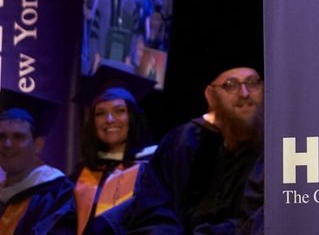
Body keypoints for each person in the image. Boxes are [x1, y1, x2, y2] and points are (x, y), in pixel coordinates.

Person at [121, 65, 263, 234]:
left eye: (252, 83)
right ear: (211, 96)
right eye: (231, 85)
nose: (244, 93)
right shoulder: (182, 141)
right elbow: (153, 208)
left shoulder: (278, 144)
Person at [71, 63, 156, 234]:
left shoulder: (150, 168)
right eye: (100, 113)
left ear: (133, 117)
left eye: (119, 110)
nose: (109, 119)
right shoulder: (81, 172)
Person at [0, 94, 76, 234]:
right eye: (1, 136)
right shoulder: (3, 194)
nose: (7, 144)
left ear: (38, 145)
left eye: (18, 136)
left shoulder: (56, 194)